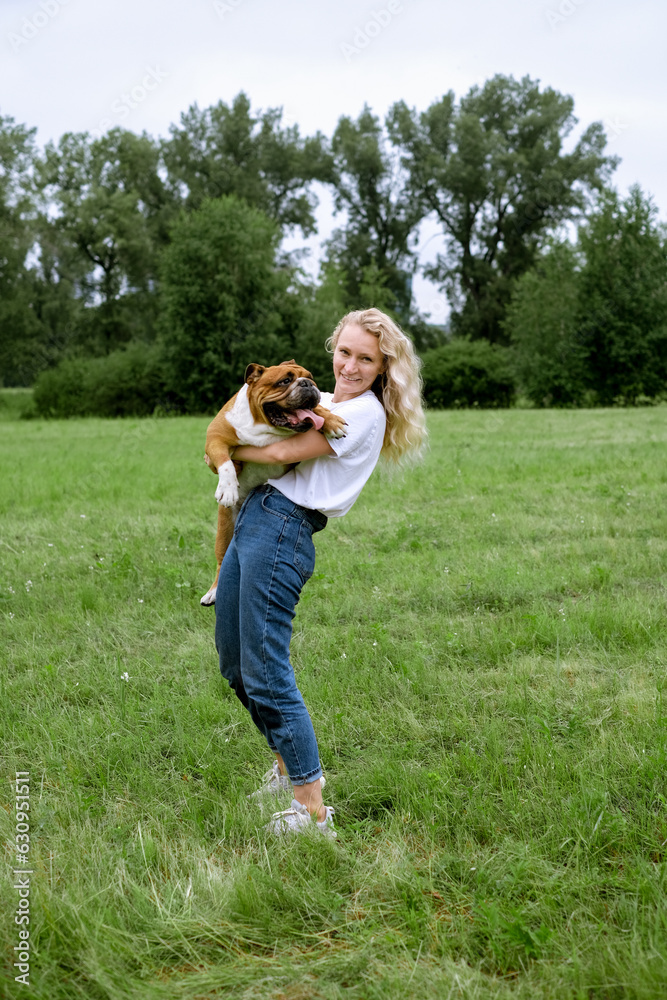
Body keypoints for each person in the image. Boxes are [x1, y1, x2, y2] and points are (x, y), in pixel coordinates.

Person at [214, 308, 427, 837]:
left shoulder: (365, 415)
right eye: (344, 352)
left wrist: (219, 446)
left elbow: (285, 448)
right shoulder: (326, 401)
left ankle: (312, 811)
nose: (350, 366)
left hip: (284, 528)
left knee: (265, 668)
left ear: (383, 368)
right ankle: (287, 767)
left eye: (366, 359)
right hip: (255, 517)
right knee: (235, 663)